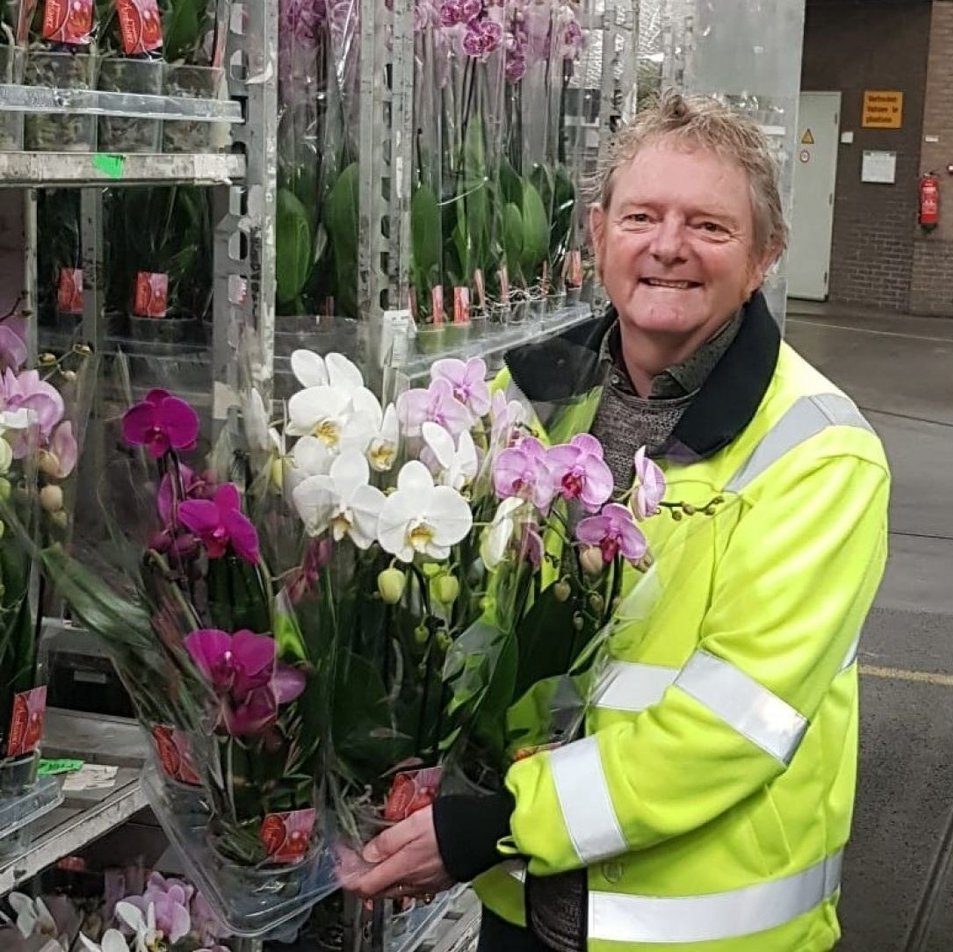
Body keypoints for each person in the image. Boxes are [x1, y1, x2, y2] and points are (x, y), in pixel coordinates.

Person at [351, 94, 890, 952]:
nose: (668, 246)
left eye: (710, 227)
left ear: (764, 257)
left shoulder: (817, 455)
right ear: (598, 236)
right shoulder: (523, 407)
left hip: (705, 936)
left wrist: (492, 826)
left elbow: (726, 732)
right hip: (521, 915)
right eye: (641, 216)